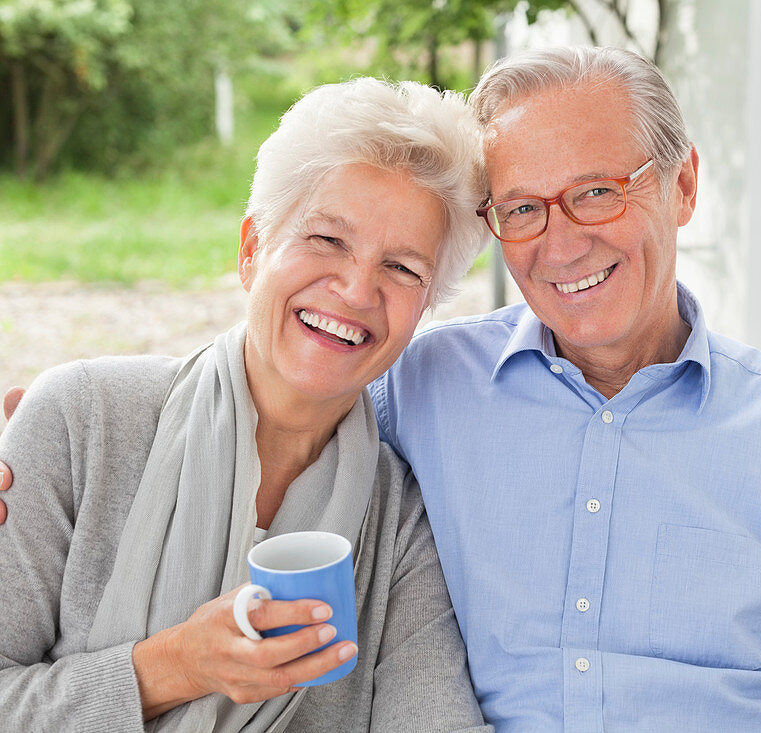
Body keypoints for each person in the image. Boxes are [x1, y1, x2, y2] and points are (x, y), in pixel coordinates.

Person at [4, 46, 761, 732]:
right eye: (521, 207)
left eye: (594, 191)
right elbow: (290, 358)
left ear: (679, 187)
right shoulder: (424, 389)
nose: (558, 238)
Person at [0, 77, 489, 732]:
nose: (355, 287)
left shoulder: (398, 521)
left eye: (402, 268)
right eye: (327, 239)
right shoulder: (80, 418)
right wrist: (174, 665)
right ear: (252, 250)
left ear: (425, 306)